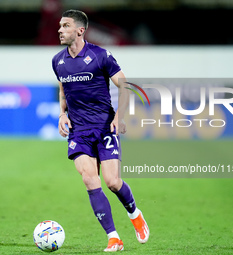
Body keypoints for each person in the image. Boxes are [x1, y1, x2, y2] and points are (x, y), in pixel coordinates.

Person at [52, 9, 149, 252]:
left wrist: (119, 117)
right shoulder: (57, 61)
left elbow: (124, 85)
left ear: (80, 30)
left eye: (65, 26)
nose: (60, 30)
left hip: (104, 126)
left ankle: (135, 214)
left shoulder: (100, 55)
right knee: (89, 179)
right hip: (79, 131)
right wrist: (62, 114)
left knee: (112, 182)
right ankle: (113, 237)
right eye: (60, 26)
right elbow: (63, 89)